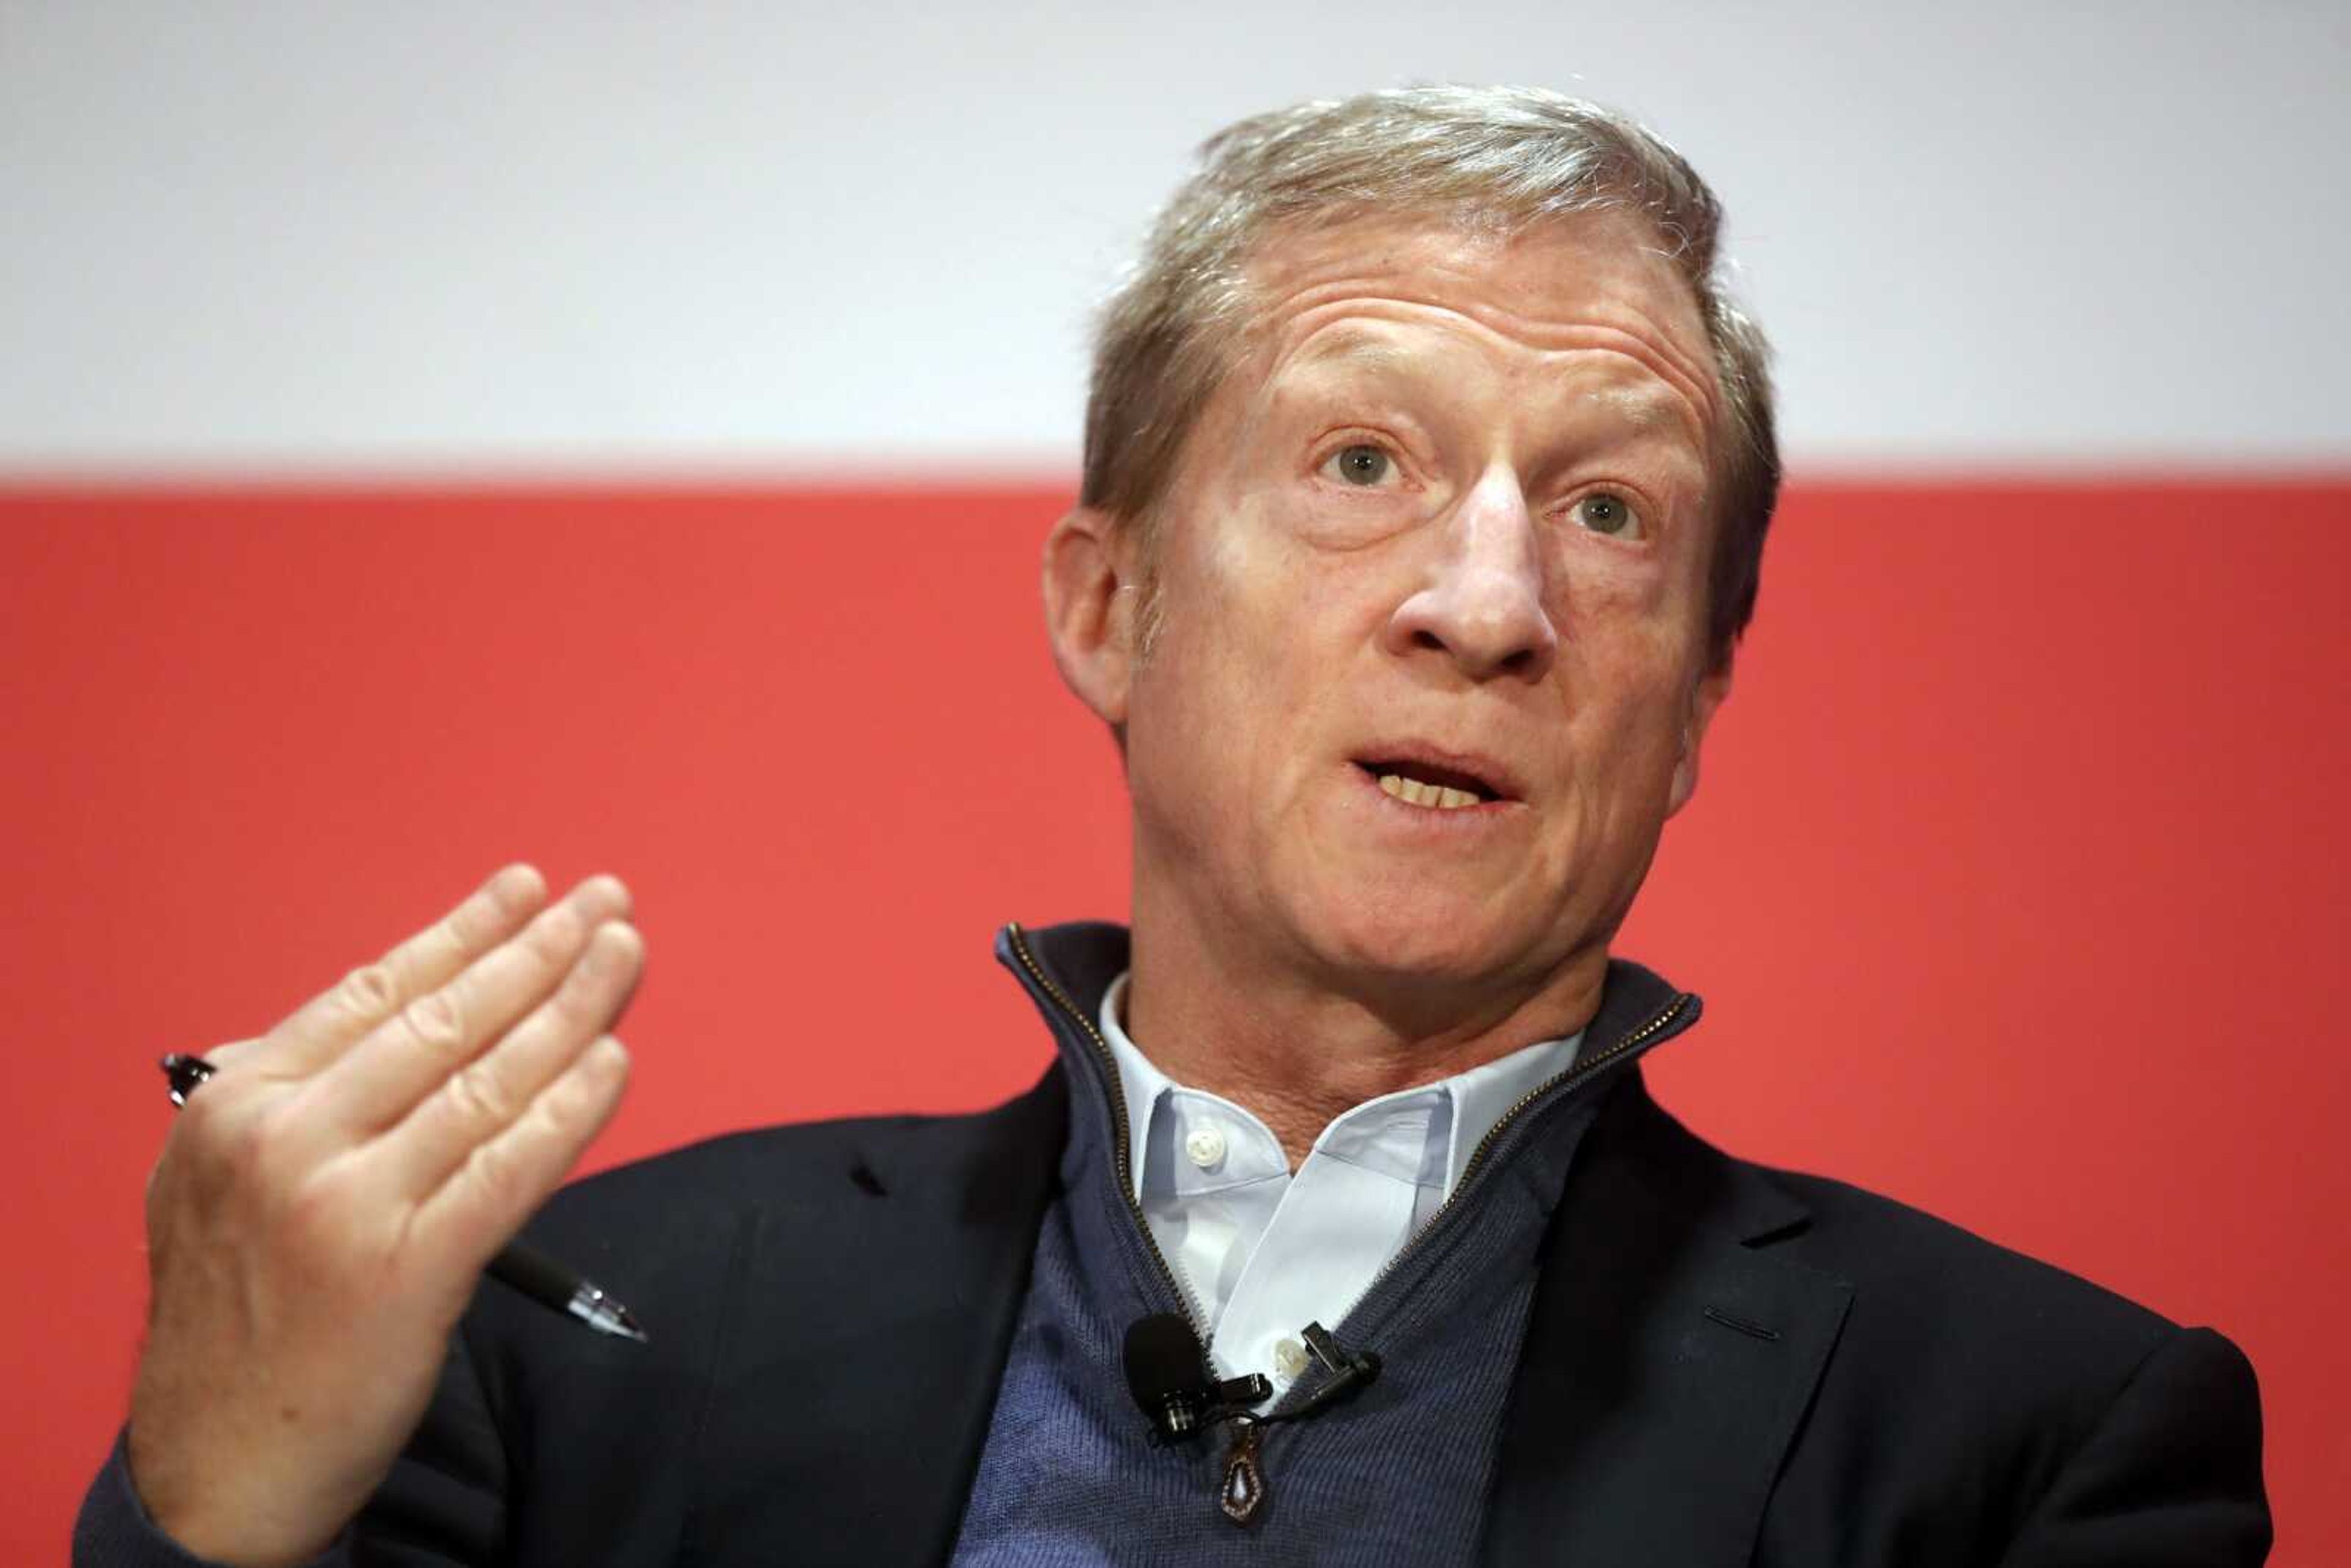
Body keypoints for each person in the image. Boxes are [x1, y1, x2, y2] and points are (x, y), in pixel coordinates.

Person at [76, 86, 2269, 1567]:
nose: (1490, 602)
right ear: (1108, 605)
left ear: (1690, 708)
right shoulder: (570, 1349)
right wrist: (220, 1496)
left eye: (1609, 512)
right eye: (1361, 467)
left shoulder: (2031, 1444)